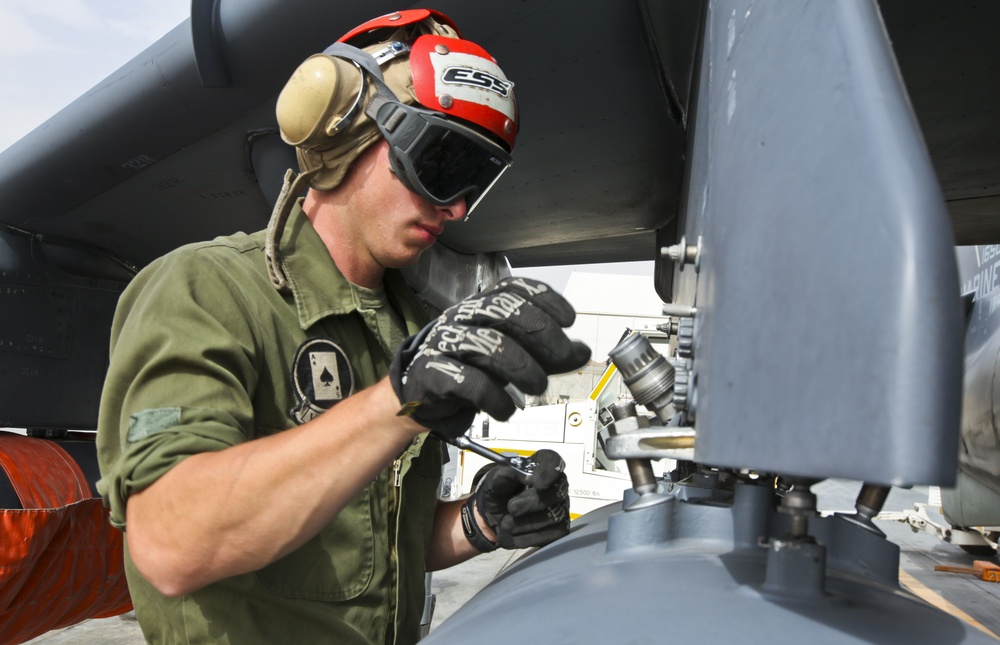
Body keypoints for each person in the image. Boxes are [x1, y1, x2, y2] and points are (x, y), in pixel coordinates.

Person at [95, 9, 590, 644]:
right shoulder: (206, 291)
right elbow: (171, 543)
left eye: (475, 179)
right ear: (345, 132)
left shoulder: (408, 325)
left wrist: (478, 523)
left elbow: (368, 547)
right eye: (441, 164)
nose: (458, 206)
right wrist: (398, 401)